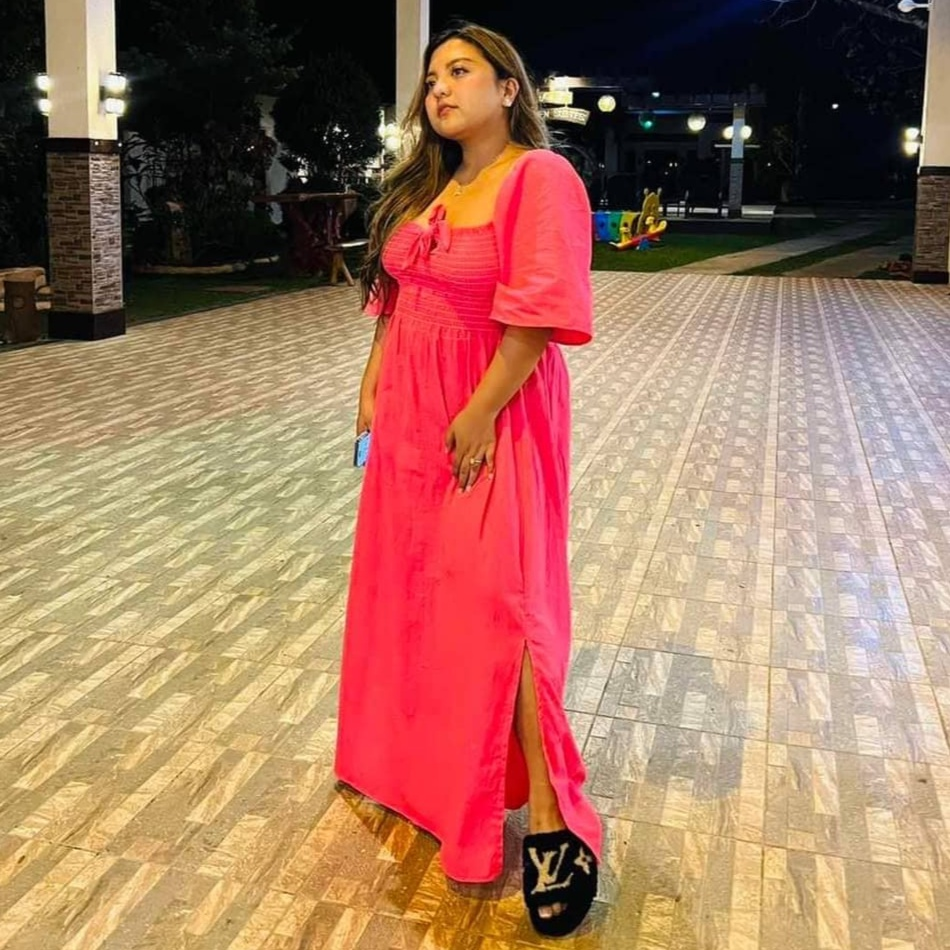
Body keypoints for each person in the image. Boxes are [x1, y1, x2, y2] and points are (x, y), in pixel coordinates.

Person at [334, 21, 602, 938]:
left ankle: (555, 819)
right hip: (411, 415)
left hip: (495, 407)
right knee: (420, 591)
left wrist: (481, 411)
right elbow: (395, 298)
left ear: (508, 88)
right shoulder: (428, 186)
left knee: (503, 606)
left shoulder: (540, 178)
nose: (440, 88)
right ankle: (421, 771)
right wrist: (372, 386)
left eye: (460, 71)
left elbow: (539, 312)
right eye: (432, 76)